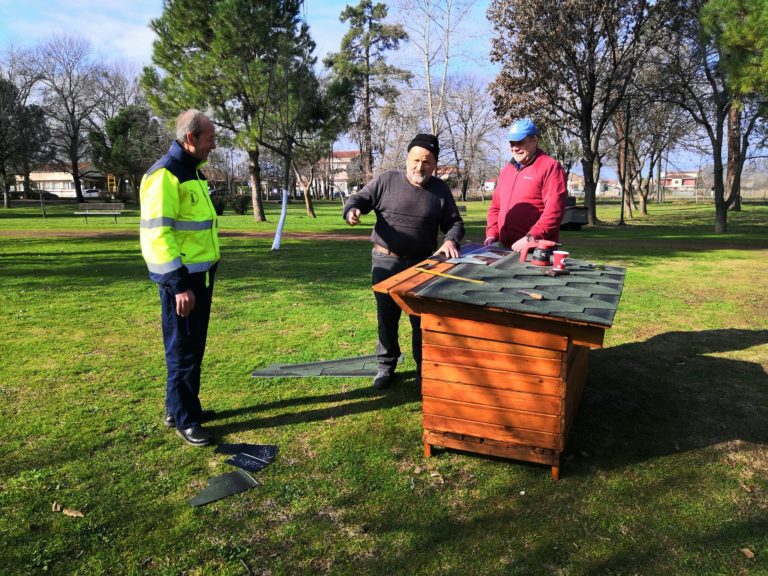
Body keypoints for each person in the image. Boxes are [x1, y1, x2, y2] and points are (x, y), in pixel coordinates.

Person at [343, 134, 465, 390]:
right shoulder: (387, 180)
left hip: (423, 265)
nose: (420, 167)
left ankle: (424, 370)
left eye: (427, 162)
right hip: (386, 262)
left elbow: (454, 222)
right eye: (416, 160)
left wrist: (451, 240)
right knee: (386, 318)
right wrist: (351, 210)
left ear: (434, 165)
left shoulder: (440, 190)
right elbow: (360, 199)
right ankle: (386, 368)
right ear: (407, 159)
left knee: (422, 321)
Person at [139, 109, 220, 447]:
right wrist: (179, 285)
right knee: (182, 350)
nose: (212, 146)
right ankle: (185, 420)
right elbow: (158, 236)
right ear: (191, 139)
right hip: (184, 283)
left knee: (191, 347)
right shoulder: (165, 176)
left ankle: (181, 408)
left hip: (199, 279)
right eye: (209, 140)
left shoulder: (191, 173)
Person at [484, 118, 567, 252]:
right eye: (512, 143)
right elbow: (495, 208)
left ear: (534, 140)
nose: (515, 148)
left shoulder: (550, 167)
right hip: (505, 249)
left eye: (520, 142)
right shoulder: (506, 171)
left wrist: (531, 237)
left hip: (537, 250)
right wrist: (492, 234)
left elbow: (554, 211)